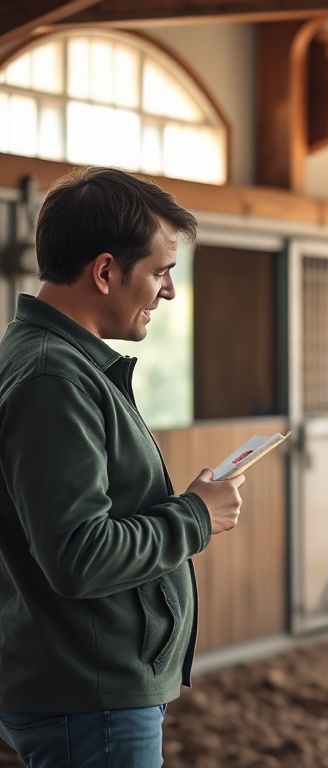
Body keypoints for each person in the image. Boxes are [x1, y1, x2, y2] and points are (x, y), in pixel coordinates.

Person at [0, 167, 245, 767]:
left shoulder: (53, 363)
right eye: (161, 271)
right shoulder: (53, 379)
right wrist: (194, 517)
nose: (168, 292)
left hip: (82, 688)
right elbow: (78, 555)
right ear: (105, 272)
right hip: (91, 700)